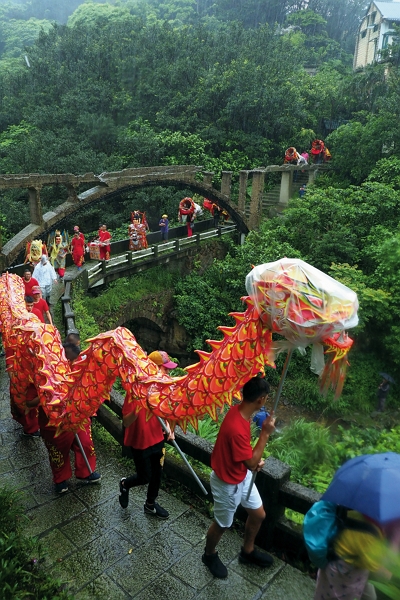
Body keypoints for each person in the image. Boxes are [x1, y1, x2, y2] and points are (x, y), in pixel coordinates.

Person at [202, 376, 276, 579]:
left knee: (259, 514)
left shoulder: (240, 412)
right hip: (227, 482)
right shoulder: (237, 427)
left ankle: (248, 551)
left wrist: (250, 460)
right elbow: (251, 463)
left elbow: (246, 459)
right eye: (266, 398)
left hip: (241, 475)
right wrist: (265, 434)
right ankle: (209, 555)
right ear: (261, 399)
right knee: (222, 524)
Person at [118, 350, 177, 518]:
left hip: (158, 438)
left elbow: (167, 412)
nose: (168, 373)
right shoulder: (135, 391)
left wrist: (169, 428)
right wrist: (139, 405)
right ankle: (124, 484)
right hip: (141, 441)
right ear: (152, 368)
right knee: (144, 476)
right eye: (165, 369)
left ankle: (150, 504)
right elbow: (126, 422)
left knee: (157, 474)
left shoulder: (162, 388)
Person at [314, 510, 385, 600]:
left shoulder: (349, 512)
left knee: (323, 595)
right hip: (348, 575)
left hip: (330, 564)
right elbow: (372, 564)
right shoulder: (372, 533)